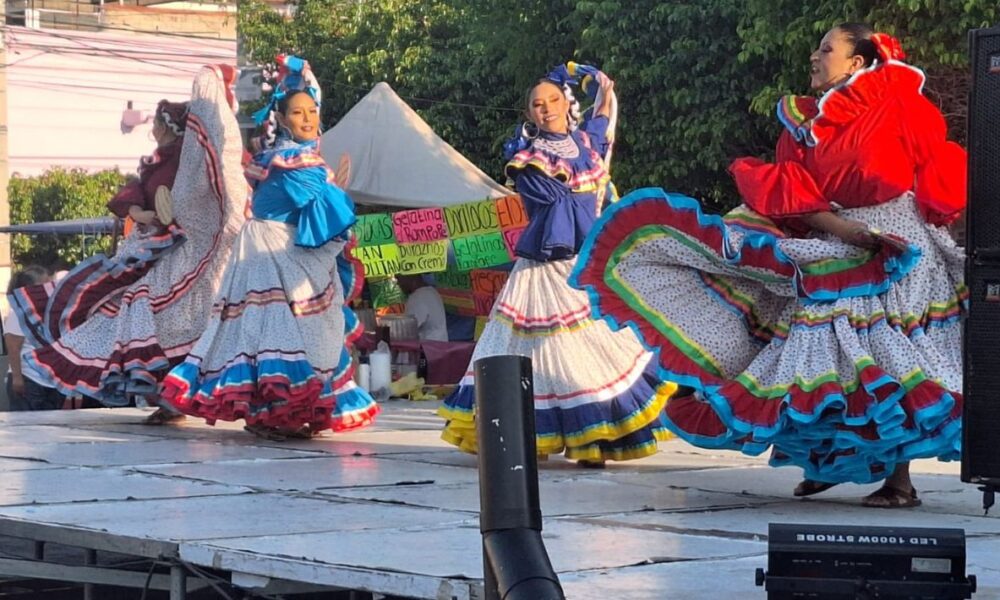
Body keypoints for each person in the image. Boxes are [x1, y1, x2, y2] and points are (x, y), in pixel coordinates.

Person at [571, 24, 966, 506]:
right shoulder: (802, 121)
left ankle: (899, 481)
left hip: (898, 247)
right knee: (822, 358)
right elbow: (794, 195)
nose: (814, 57)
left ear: (858, 62)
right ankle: (828, 461)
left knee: (892, 360)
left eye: (827, 49)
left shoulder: (902, 104)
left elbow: (933, 173)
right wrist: (842, 230)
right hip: (837, 241)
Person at [438, 63, 677, 467]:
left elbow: (604, 114)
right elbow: (559, 209)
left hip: (583, 265)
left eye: (552, 100)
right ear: (530, 113)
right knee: (544, 354)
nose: (546, 108)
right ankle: (532, 434)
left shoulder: (586, 144)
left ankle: (590, 440)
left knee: (597, 348)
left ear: (568, 103)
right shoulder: (529, 158)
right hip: (546, 270)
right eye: (537, 104)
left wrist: (601, 85)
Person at [8, 64, 247, 423]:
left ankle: (179, 396)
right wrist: (141, 211)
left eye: (157, 122)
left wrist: (213, 94)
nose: (152, 126)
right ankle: (167, 397)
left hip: (180, 253)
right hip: (148, 251)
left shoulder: (189, 164)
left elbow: (208, 186)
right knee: (120, 312)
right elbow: (134, 196)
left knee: (161, 317)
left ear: (170, 126)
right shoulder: (155, 164)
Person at [161, 55, 379, 441]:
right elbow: (325, 211)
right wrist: (337, 191)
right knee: (283, 332)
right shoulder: (292, 160)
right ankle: (281, 412)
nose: (309, 118)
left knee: (279, 333)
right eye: (299, 112)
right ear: (282, 117)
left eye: (313, 111)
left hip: (279, 252)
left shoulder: (287, 156)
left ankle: (281, 411)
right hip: (275, 256)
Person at [107, 99, 189, 232]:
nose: (152, 129)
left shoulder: (172, 165)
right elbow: (139, 188)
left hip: (169, 241)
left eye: (155, 124)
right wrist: (137, 212)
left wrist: (140, 213)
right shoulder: (169, 160)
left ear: (162, 129)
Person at [4, 266, 64, 411]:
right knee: (28, 429)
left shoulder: (48, 312)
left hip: (50, 381)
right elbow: (13, 347)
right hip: (29, 379)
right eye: (45, 285)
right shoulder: (19, 313)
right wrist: (17, 378)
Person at [397, 274, 448, 342]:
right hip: (439, 347)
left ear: (411, 277)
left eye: (399, 279)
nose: (398, 283)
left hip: (428, 349)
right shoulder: (431, 291)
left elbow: (406, 331)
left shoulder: (418, 297)